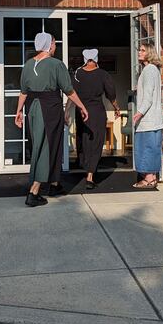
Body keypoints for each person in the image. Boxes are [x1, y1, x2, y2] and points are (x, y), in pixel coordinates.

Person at [15, 32, 88, 207]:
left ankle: (55, 184)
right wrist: (82, 106)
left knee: (50, 145)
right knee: (46, 147)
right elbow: (69, 90)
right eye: (54, 43)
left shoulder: (28, 65)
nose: (55, 46)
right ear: (49, 45)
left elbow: (23, 92)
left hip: (32, 108)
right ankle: (34, 191)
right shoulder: (56, 64)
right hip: (49, 110)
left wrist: (18, 111)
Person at [66, 49, 121, 190]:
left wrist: (66, 112)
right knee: (96, 142)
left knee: (84, 140)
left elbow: (72, 95)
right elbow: (111, 95)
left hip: (82, 112)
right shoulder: (103, 74)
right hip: (97, 112)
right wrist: (116, 108)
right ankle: (90, 176)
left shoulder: (77, 74)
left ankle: (85, 168)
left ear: (84, 58)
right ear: (96, 58)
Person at [132, 41, 163, 189]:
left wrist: (139, 113)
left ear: (150, 53)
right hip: (151, 119)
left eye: (143, 50)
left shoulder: (150, 70)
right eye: (140, 50)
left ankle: (149, 179)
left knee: (146, 148)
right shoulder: (150, 70)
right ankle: (150, 178)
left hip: (149, 120)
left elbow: (149, 97)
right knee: (149, 147)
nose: (139, 52)